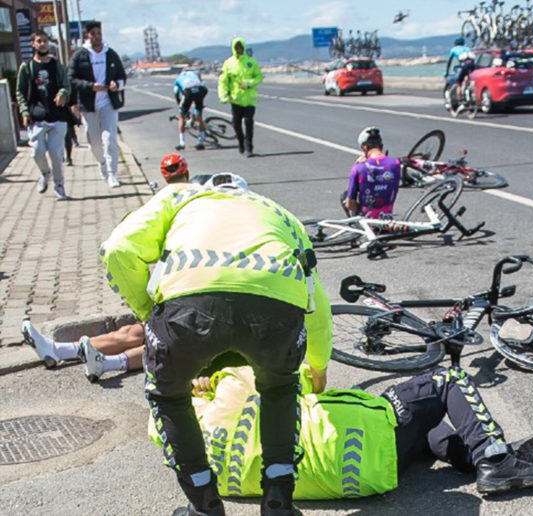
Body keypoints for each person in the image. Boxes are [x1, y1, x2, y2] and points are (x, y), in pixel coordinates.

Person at [101, 169, 332, 515]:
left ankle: (204, 503)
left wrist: (149, 313)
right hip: (276, 307)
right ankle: (278, 503)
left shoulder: (181, 196)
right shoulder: (280, 213)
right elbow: (318, 304)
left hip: (189, 309)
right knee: (280, 389)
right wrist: (318, 366)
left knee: (170, 395)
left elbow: (118, 250)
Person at [149, 364, 533, 498]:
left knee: (424, 426)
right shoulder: (232, 388)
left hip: (365, 478)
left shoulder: (205, 478)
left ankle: (468, 453)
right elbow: (309, 378)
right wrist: (215, 376)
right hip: (367, 433)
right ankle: (494, 458)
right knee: (445, 380)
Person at [19, 154, 203, 381]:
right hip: (184, 300)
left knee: (165, 341)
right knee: (138, 331)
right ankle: (59, 349)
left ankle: (106, 362)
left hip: (198, 309)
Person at [69, 21, 127, 189]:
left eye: (99, 33)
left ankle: (112, 173)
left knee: (109, 139)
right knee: (94, 142)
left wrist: (117, 84)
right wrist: (90, 86)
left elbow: (122, 76)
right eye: (93, 34)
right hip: (89, 105)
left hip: (108, 103)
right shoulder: (80, 55)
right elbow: (71, 79)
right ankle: (102, 163)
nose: (97, 36)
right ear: (88, 36)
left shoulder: (111, 54)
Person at [17, 31, 71, 200]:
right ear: (33, 44)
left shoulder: (56, 65)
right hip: (37, 117)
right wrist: (24, 111)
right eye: (39, 41)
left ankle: (59, 185)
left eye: (45, 41)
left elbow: (66, 85)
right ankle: (44, 173)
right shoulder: (27, 68)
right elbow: (20, 92)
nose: (43, 44)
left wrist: (63, 93)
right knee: (36, 152)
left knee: (56, 153)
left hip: (57, 116)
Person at [218, 37, 263, 157]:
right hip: (236, 99)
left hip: (249, 99)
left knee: (249, 122)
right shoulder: (228, 63)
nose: (239, 49)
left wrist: (249, 83)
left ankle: (249, 148)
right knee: (236, 123)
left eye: (241, 47)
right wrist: (223, 95)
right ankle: (241, 141)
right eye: (237, 47)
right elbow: (223, 81)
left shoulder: (251, 62)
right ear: (233, 48)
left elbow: (259, 77)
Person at [344, 126, 401, 218]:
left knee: (345, 197)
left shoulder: (359, 167)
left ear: (364, 148)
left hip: (368, 222)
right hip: (386, 220)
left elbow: (350, 204)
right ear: (381, 146)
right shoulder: (395, 164)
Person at [173, 68, 208, 151]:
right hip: (201, 91)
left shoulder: (178, 79)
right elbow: (202, 85)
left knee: (181, 118)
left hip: (189, 92)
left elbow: (176, 94)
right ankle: (201, 143)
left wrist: (181, 109)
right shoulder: (194, 74)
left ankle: (182, 143)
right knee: (199, 117)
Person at [444, 37, 474, 112]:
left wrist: (447, 72)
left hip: (464, 65)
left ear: (455, 44)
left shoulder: (454, 49)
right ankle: (468, 91)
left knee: (459, 84)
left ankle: (461, 103)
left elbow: (449, 62)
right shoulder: (468, 48)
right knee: (467, 78)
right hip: (472, 65)